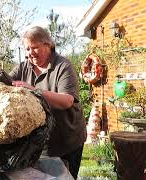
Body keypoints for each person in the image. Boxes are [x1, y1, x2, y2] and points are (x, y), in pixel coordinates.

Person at [9, 26, 87, 179]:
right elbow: (5, 82)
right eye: (27, 49)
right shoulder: (23, 67)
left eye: (35, 47)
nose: (31, 52)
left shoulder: (63, 66)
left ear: (48, 45)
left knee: (65, 177)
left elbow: (67, 101)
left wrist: (33, 90)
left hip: (66, 140)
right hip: (38, 143)